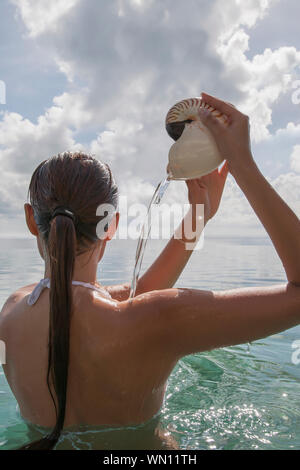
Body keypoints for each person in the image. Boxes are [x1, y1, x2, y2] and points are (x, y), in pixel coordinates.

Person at [0, 93, 299, 450]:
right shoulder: (153, 321)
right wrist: (242, 163)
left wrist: (199, 216)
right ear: (111, 226)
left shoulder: (11, 313)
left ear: (32, 220)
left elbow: (134, 298)